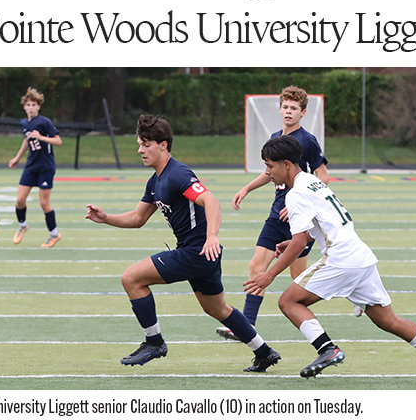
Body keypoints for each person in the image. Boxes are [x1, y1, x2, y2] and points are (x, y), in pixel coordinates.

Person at [248, 134, 416, 380]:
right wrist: (298, 241)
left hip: (342, 258)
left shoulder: (295, 194)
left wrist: (270, 274)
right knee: (388, 320)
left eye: (270, 166)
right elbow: (322, 225)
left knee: (288, 301)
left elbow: (298, 244)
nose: (268, 172)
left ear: (286, 164)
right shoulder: (312, 181)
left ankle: (326, 349)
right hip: (360, 256)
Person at [86, 114, 281, 372]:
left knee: (131, 278)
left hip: (196, 252)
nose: (140, 150)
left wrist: (211, 236)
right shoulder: (155, 180)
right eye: (139, 144)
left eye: (146, 144)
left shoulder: (177, 174)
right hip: (203, 255)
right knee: (218, 308)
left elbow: (210, 201)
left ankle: (154, 342)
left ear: (163, 145)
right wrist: (106, 218)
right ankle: (264, 352)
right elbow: (137, 217)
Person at [216, 85, 328, 339]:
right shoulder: (276, 137)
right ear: (279, 109)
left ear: (303, 113)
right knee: (256, 265)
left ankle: (349, 292)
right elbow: (269, 173)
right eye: (285, 107)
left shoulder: (308, 140)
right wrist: (246, 188)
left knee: (299, 276)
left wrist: (302, 204)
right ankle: (245, 326)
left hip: (298, 219)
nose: (288, 112)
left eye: (294, 108)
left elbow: (323, 177)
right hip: (276, 215)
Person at [8, 87, 62, 248]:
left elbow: (58, 141)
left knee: (44, 203)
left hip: (46, 166)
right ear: (24, 106)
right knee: (19, 200)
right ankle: (23, 226)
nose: (31, 107)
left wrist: (42, 137)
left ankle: (54, 234)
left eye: (34, 105)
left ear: (38, 107)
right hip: (31, 165)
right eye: (28, 105)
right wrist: (17, 158)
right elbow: (27, 140)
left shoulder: (45, 122)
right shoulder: (24, 123)